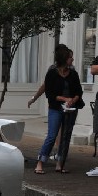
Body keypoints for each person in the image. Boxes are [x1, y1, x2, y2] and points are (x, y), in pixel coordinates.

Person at [34, 45, 82, 175]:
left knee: (66, 137)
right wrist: (64, 99)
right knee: (52, 135)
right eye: (70, 57)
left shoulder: (73, 74)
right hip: (56, 108)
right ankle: (40, 162)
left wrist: (73, 99)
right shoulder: (52, 73)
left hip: (71, 109)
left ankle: (60, 163)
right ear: (64, 59)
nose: (72, 59)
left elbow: (79, 91)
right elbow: (49, 93)